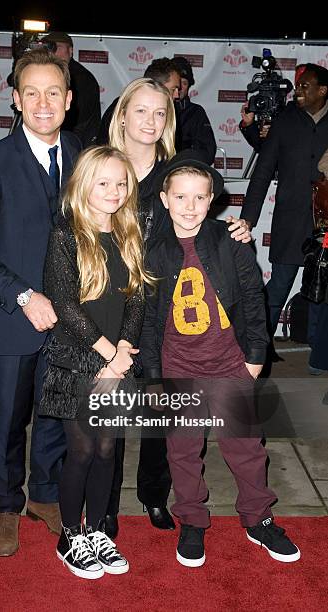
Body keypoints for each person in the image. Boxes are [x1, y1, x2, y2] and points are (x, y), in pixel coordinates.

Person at [103, 77, 251, 538]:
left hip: (162, 304)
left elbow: (199, 217)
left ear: (168, 121)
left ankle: (153, 494)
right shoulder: (100, 164)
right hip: (106, 298)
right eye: (141, 110)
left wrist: (234, 230)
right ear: (122, 114)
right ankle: (103, 505)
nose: (150, 121)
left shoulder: (175, 173)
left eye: (160, 113)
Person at [140, 150, 300, 567]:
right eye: (181, 197)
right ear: (164, 199)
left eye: (199, 197)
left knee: (246, 447)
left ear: (212, 200)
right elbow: (150, 319)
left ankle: (258, 518)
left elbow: (252, 299)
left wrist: (254, 357)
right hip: (179, 368)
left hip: (230, 364)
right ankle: (192, 519)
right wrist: (155, 374)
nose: (189, 207)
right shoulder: (153, 252)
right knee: (183, 451)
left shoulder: (232, 240)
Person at [0, 48, 81, 557]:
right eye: (32, 93)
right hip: (13, 317)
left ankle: (44, 497)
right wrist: (23, 295)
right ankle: (7, 504)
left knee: (54, 412)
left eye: (53, 92)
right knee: (9, 417)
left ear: (68, 100)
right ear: (15, 99)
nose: (43, 102)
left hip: (71, 320)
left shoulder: (79, 152)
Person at [39, 145, 153, 579]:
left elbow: (138, 297)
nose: (114, 190)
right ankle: (70, 534)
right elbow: (66, 306)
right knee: (83, 451)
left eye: (121, 183)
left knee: (108, 450)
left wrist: (123, 351)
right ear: (84, 185)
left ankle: (98, 530)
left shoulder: (130, 234)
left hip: (116, 361)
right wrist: (108, 355)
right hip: (77, 361)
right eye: (103, 182)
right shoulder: (65, 236)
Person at [240, 63, 328, 348]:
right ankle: (257, 349)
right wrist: (248, 219)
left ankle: (318, 355)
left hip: (326, 223)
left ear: (323, 91)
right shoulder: (285, 120)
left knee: (323, 292)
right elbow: (263, 171)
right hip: (290, 221)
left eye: (305, 86)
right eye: (298, 85)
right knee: (278, 286)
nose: (298, 91)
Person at [97, 57, 181, 147]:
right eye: (141, 111)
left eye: (160, 113)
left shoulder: (170, 157)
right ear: (122, 116)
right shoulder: (122, 105)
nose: (177, 95)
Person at [40, 31, 101, 148]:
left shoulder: (81, 78)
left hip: (76, 145)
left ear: (71, 51)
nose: (53, 52)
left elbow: (77, 120)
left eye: (57, 47)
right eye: (49, 47)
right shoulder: (49, 74)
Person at [171, 55, 217, 163]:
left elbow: (208, 152)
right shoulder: (156, 110)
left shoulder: (197, 113)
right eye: (177, 83)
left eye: (184, 83)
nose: (180, 88)